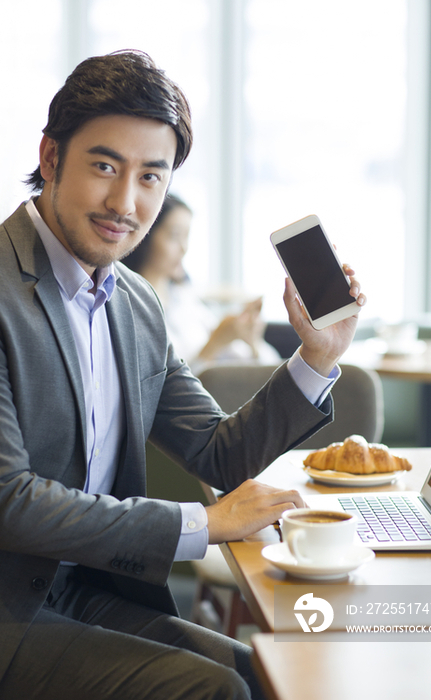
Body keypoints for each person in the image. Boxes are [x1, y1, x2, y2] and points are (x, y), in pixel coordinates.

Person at [0, 50, 366, 700]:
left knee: (266, 677)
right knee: (212, 690)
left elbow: (218, 454)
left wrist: (316, 358)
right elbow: (10, 503)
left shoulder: (136, 303)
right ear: (51, 158)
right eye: (105, 166)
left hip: (87, 590)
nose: (125, 202)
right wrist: (203, 523)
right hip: (10, 607)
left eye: (151, 177)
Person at [123, 193, 281, 373]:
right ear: (145, 236)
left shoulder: (184, 298)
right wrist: (214, 345)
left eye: (187, 236)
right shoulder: (133, 309)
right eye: (175, 236)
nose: (184, 248)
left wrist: (252, 341)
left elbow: (268, 365)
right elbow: (164, 389)